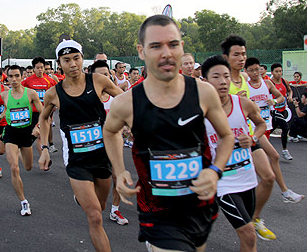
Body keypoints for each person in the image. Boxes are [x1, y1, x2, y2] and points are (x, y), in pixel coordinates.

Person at [104, 15, 234, 252]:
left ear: (182, 47)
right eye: (156, 46)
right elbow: (110, 131)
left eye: (173, 44)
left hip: (200, 205)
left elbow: (227, 136)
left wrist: (215, 171)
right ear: (141, 51)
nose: (166, 53)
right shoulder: (127, 103)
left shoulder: (203, 93)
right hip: (158, 211)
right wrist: (119, 169)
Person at [39, 40, 124, 252]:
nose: (73, 64)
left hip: (102, 155)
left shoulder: (98, 80)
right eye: (66, 60)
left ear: (82, 59)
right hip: (76, 160)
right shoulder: (54, 93)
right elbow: (43, 118)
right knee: (95, 215)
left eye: (76, 58)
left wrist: (128, 121)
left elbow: (124, 100)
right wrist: (44, 148)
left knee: (101, 206)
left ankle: (81, 197)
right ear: (59, 64)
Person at [222, 36, 304, 241]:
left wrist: (254, 133)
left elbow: (257, 117)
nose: (241, 58)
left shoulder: (247, 82)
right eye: (236, 54)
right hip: (224, 141)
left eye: (244, 54)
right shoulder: (220, 82)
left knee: (268, 176)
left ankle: (256, 218)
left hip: (248, 136)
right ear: (226, 57)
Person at [202, 55, 265, 252]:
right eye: (216, 77)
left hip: (247, 177)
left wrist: (253, 138)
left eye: (226, 76)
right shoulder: (198, 111)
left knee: (249, 238)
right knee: (248, 232)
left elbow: (261, 124)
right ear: (205, 81)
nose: (222, 81)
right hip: (223, 183)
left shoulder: (243, 104)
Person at [0, 65, 43, 216]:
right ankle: (24, 202)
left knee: (28, 167)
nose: (14, 79)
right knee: (14, 168)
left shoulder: (31, 93)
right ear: (7, 78)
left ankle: (21, 154)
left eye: (17, 76)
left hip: (26, 133)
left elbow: (43, 112)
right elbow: (7, 108)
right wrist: (1, 116)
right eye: (11, 76)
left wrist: (38, 126)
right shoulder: (5, 95)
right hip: (11, 133)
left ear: (22, 77)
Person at [90, 60, 129, 226]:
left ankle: (115, 210)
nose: (103, 78)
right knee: (95, 181)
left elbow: (126, 114)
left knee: (117, 176)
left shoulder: (117, 97)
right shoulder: (88, 99)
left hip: (113, 144)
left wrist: (125, 128)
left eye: (106, 74)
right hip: (92, 146)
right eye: (99, 75)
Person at [244, 58, 291, 160]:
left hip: (266, 123)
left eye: (257, 69)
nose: (255, 73)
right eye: (251, 70)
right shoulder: (245, 86)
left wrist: (274, 101)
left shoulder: (267, 83)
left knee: (264, 154)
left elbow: (281, 97)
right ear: (246, 71)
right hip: (253, 126)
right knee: (266, 154)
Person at [22, 56, 58, 152]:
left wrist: (54, 105)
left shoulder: (50, 81)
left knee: (41, 137)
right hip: (32, 112)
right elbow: (20, 92)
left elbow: (56, 94)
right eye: (37, 68)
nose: (40, 70)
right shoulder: (28, 81)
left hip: (45, 111)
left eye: (42, 67)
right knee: (32, 136)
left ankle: (44, 160)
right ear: (34, 68)